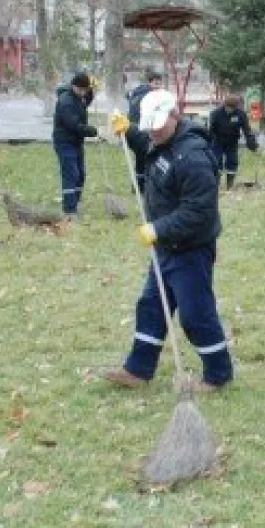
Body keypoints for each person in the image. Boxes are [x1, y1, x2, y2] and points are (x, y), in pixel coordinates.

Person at [104, 89, 234, 390]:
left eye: (157, 126)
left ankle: (218, 374)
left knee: (195, 314)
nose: (152, 132)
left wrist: (158, 229)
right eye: (148, 126)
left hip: (190, 250)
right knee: (151, 305)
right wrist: (129, 131)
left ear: (175, 116)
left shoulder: (192, 157)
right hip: (164, 248)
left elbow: (198, 211)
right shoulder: (162, 139)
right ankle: (138, 370)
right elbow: (150, 145)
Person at [53, 72, 99, 221]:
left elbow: (87, 100)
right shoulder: (65, 102)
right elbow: (74, 125)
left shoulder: (81, 96)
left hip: (76, 142)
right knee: (70, 174)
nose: (83, 93)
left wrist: (92, 89)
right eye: (81, 90)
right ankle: (69, 210)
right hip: (64, 142)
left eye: (85, 90)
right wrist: (94, 131)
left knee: (80, 174)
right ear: (73, 86)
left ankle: (75, 201)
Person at [207, 93, 258, 190]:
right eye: (228, 107)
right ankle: (215, 184)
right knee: (216, 161)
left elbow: (247, 129)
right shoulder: (215, 114)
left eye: (232, 108)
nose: (230, 110)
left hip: (232, 142)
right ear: (224, 105)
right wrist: (207, 143)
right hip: (218, 141)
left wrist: (251, 141)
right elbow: (210, 130)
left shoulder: (240, 114)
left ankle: (229, 185)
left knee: (232, 161)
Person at [126, 72, 163, 190]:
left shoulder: (136, 92)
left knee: (139, 158)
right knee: (146, 158)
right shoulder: (149, 96)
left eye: (159, 84)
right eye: (156, 83)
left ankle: (136, 185)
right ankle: (142, 185)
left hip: (131, 129)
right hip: (142, 130)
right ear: (150, 82)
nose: (158, 86)